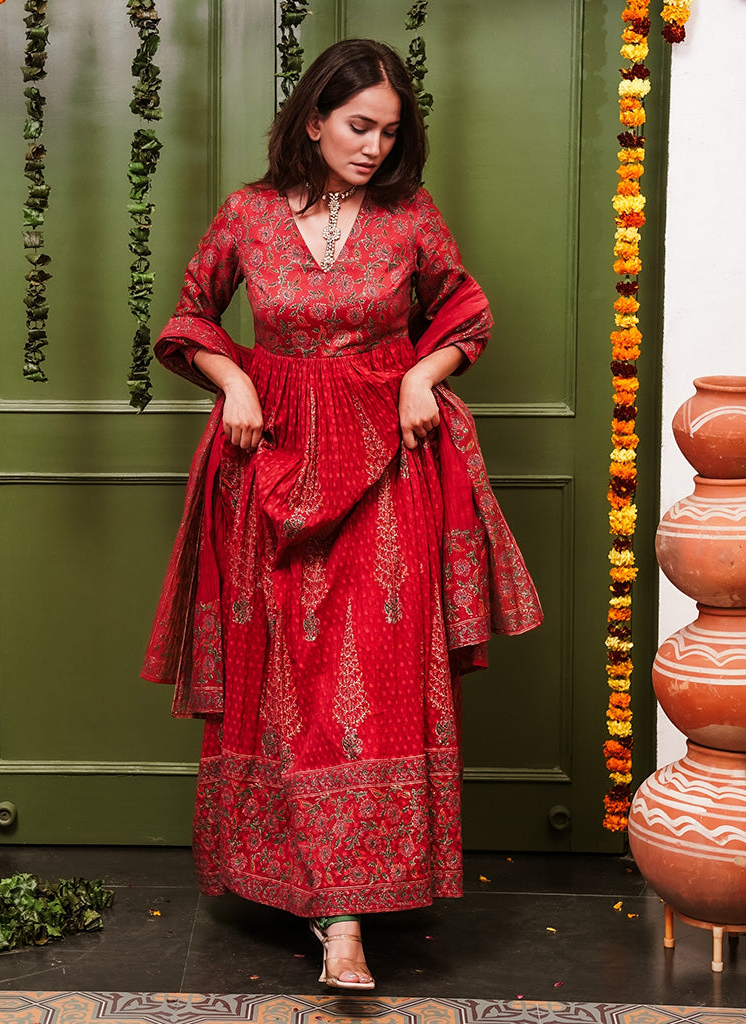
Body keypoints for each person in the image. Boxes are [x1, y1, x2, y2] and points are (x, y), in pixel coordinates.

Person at [142, 38, 542, 990]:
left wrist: (422, 371)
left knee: (370, 683)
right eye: (358, 126)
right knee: (287, 685)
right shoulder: (247, 213)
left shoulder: (410, 217)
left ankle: (350, 920)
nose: (372, 147)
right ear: (312, 120)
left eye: (389, 132)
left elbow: (468, 312)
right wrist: (233, 374)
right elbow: (188, 317)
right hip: (268, 460)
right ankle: (321, 901)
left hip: (387, 468)